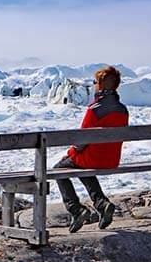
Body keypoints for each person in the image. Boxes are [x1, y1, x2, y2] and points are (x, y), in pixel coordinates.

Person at [54, 65, 129, 232]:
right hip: (112, 159)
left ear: (100, 85)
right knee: (82, 166)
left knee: (58, 169)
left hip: (93, 158)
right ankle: (102, 204)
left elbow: (81, 141)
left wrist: (69, 154)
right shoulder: (123, 110)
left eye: (95, 82)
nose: (94, 84)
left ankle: (76, 209)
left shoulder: (95, 110)